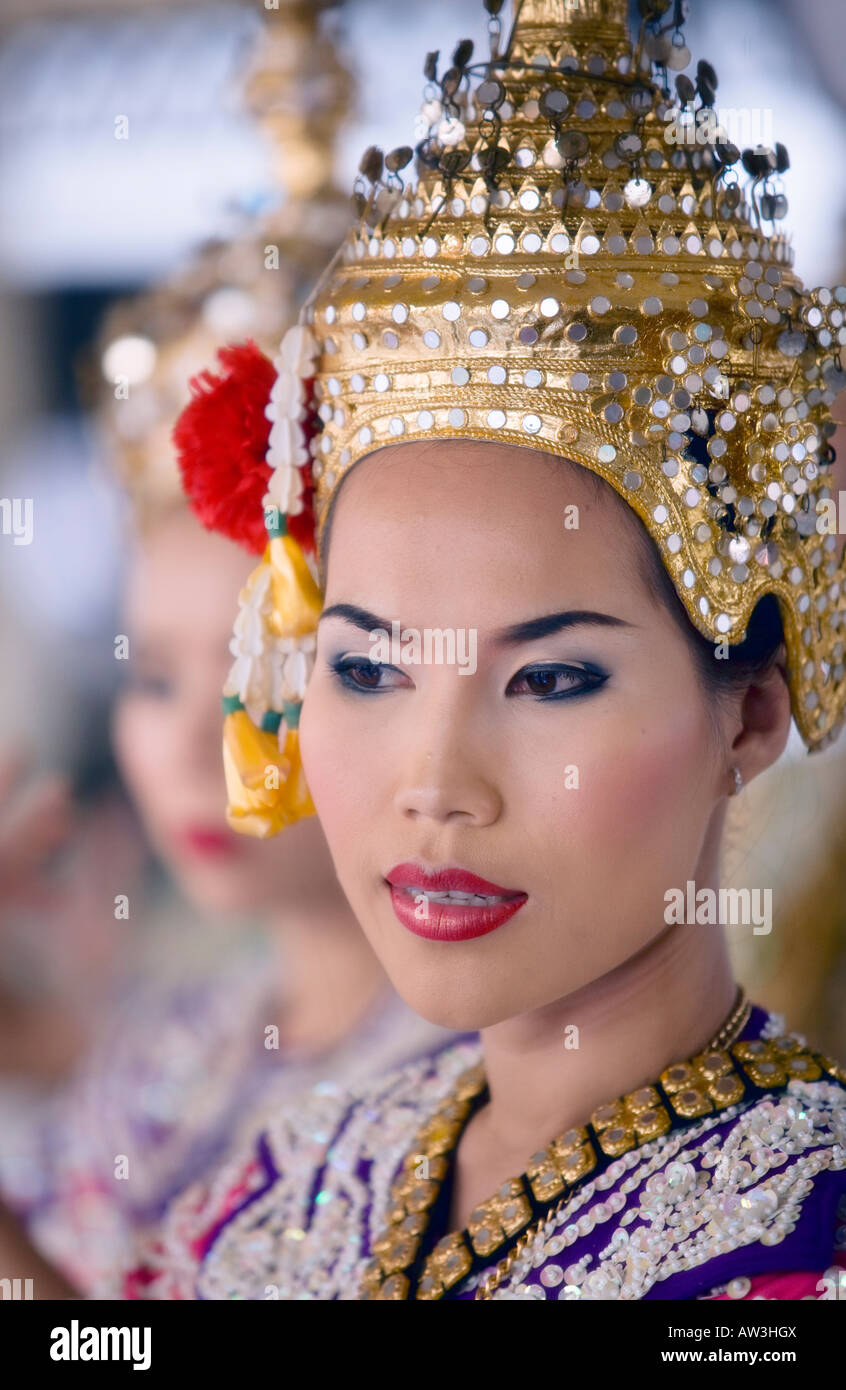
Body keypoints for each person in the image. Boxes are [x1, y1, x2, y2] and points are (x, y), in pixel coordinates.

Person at [132, 0, 846, 1300]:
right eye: (367, 669)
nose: (434, 784)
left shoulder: (806, 1247)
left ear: (748, 720)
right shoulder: (291, 1181)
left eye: (549, 680)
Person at [0, 3, 452, 1298]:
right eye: (152, 675)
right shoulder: (171, 1038)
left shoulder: (490, 1097)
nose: (196, 748)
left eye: (275, 670)